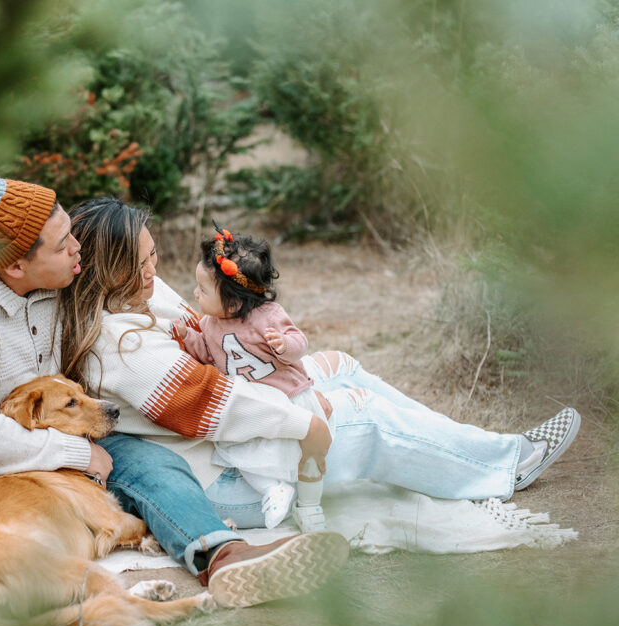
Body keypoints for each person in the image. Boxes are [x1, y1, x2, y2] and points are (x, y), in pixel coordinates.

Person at [0, 174, 349, 626]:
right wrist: (77, 454)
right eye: (62, 243)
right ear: (15, 268)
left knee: (152, 464)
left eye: (71, 232)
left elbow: (140, 286)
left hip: (67, 426)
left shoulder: (63, 275)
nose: (78, 248)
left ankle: (222, 554)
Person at [58, 197, 581, 531]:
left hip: (234, 430)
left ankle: (463, 446)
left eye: (153, 257)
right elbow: (211, 406)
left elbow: (206, 334)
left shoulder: (137, 296)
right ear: (112, 268)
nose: (155, 268)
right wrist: (304, 418)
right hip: (225, 471)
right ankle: (505, 465)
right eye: (144, 261)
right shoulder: (117, 345)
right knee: (359, 415)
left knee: (343, 366)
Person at [174, 224, 329, 532]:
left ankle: (310, 507)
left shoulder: (269, 317)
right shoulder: (210, 323)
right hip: (253, 406)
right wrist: (187, 337)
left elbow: (299, 341)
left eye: (202, 290)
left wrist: (285, 346)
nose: (195, 293)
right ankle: (273, 489)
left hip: (287, 398)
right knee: (242, 454)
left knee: (308, 458)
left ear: (232, 302)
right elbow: (206, 352)